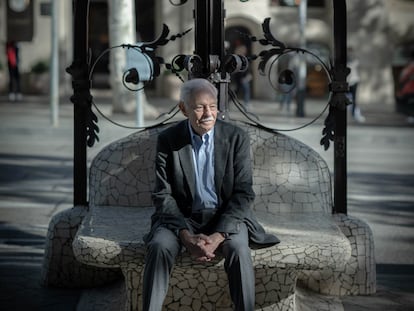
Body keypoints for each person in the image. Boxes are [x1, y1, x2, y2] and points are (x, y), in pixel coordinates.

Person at [142, 78, 279, 311]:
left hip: (224, 217)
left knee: (237, 249)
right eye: (199, 107)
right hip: (182, 218)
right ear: (183, 109)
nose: (208, 113)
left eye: (212, 106)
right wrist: (186, 237)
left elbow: (243, 193)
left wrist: (217, 237)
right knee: (159, 246)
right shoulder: (169, 139)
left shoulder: (235, 138)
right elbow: (162, 195)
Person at [347, 48, 365, 122]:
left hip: (353, 81)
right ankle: (352, 113)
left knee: (353, 99)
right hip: (348, 81)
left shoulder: (354, 60)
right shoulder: (348, 61)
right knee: (348, 98)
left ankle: (354, 113)